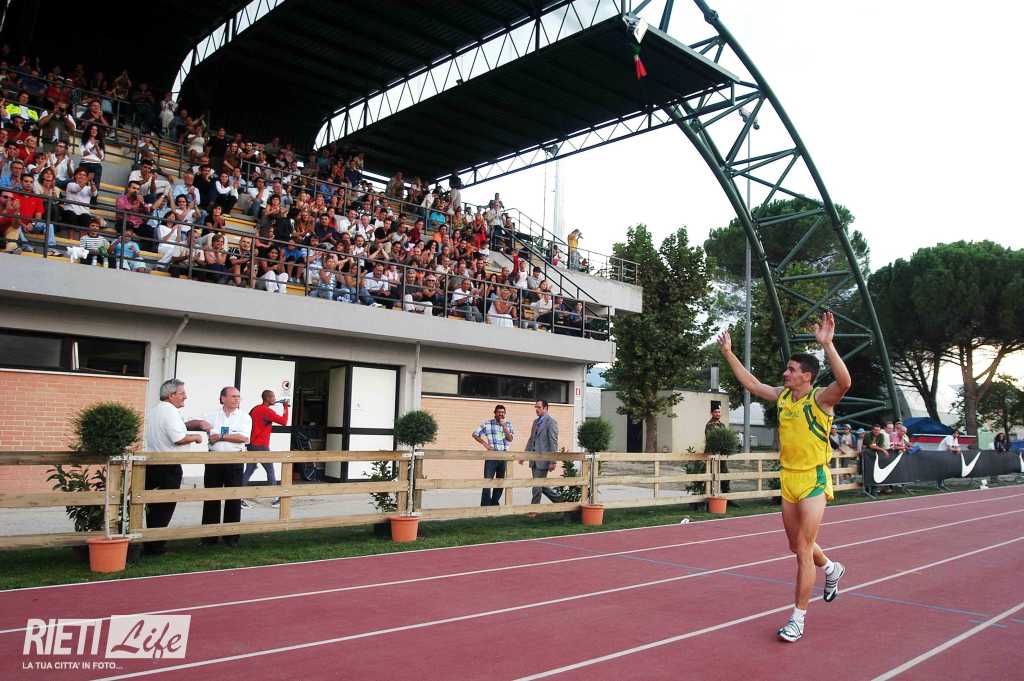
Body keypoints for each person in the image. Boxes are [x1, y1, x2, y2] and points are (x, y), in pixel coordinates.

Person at [718, 311, 850, 643]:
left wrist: (828, 345)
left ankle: (798, 619)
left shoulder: (821, 399)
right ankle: (831, 568)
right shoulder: (782, 396)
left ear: (807, 376)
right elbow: (751, 384)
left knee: (803, 549)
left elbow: (845, 382)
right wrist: (729, 353)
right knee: (795, 545)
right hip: (788, 479)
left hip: (814, 479)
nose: (785, 373)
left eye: (791, 369)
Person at [142, 379, 209, 556]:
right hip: (168, 466)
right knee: (164, 508)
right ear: (171, 395)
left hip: (152, 464)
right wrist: (196, 437)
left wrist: (193, 425)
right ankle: (156, 547)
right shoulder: (170, 411)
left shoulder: (155, 410)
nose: (185, 396)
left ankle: (151, 544)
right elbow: (178, 439)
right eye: (182, 393)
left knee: (153, 507)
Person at [201, 386, 251, 546]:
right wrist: (202, 425)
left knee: (233, 498)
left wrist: (221, 436)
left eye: (238, 396)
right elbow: (197, 425)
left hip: (234, 461)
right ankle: (209, 537)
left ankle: (231, 537)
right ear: (223, 398)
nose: (237, 399)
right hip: (214, 460)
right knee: (211, 498)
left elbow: (243, 438)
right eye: (233, 396)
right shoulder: (211, 415)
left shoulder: (244, 417)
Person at [245, 390, 289, 507]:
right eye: (273, 397)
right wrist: (285, 407)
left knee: (250, 469)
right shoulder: (266, 411)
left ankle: (237, 498)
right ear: (268, 398)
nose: (275, 399)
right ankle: (276, 498)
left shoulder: (255, 409)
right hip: (261, 446)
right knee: (270, 469)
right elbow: (284, 422)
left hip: (251, 444)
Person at [472, 405, 515, 506]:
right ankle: (485, 506)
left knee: (500, 482)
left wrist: (504, 427)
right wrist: (485, 444)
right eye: (499, 412)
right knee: (488, 482)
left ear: (505, 414)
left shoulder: (508, 424)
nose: (501, 414)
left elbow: (510, 439)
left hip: (504, 456)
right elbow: (475, 434)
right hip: (491, 456)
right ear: (495, 413)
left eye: (503, 412)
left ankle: (494, 504)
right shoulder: (488, 424)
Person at [520, 399, 560, 506]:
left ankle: (534, 509)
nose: (536, 409)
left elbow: (553, 442)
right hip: (534, 460)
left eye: (539, 407)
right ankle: (561, 502)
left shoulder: (551, 422)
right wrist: (524, 455)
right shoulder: (535, 422)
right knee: (541, 485)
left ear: (545, 408)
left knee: (537, 486)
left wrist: (553, 461)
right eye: (536, 407)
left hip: (543, 460)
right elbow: (531, 440)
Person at [704, 406, 730, 494]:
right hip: (712, 452)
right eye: (715, 412)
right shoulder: (709, 425)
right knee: (711, 474)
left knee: (725, 473)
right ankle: (710, 494)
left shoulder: (722, 425)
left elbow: (726, 437)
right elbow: (710, 438)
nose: (718, 414)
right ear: (712, 413)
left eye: (719, 412)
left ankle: (726, 494)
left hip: (721, 453)